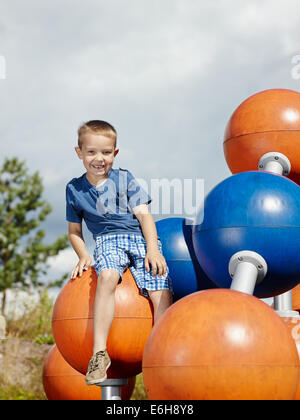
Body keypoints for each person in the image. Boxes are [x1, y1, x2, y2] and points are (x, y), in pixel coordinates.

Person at [66, 120, 173, 385]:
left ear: (115, 153)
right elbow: (74, 232)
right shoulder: (74, 189)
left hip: (138, 237)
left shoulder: (124, 178)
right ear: (79, 153)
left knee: (160, 287)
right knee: (108, 277)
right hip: (107, 239)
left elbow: (145, 217)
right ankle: (99, 353)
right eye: (91, 152)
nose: (98, 158)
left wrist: (152, 249)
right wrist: (82, 255)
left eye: (105, 152)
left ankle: (158, 355)